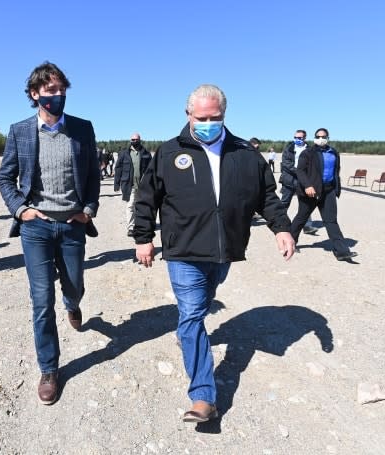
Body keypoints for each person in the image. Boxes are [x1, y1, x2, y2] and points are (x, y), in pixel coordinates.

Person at [133, 84, 295, 423]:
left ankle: (190, 339)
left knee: (203, 304)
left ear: (224, 115)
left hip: (225, 250)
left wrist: (281, 227)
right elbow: (147, 198)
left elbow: (267, 196)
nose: (208, 123)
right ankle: (204, 396)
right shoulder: (168, 152)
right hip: (183, 250)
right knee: (191, 314)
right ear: (188, 115)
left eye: (215, 117)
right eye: (201, 117)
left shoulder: (245, 154)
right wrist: (144, 237)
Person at [0, 61, 100, 405]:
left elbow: (92, 177)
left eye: (61, 90)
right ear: (35, 94)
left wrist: (87, 210)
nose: (57, 96)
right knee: (42, 301)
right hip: (36, 228)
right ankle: (49, 369)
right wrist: (20, 209)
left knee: (74, 286)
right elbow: (5, 177)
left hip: (72, 226)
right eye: (50, 90)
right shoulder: (20, 131)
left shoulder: (83, 129)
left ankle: (74, 304)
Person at [290, 128, 358, 261]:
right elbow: (300, 171)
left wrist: (336, 187)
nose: (321, 138)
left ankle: (342, 251)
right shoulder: (308, 153)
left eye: (323, 136)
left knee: (331, 221)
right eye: (318, 136)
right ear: (314, 138)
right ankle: (290, 243)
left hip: (328, 191)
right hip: (310, 192)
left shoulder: (333, 152)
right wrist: (308, 185)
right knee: (301, 217)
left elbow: (336, 171)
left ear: (328, 138)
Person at [279, 130, 319, 235]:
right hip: (289, 180)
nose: (298, 139)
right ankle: (280, 224)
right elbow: (286, 164)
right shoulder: (288, 148)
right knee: (284, 203)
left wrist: (305, 176)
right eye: (296, 137)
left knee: (306, 204)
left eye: (300, 138)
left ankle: (307, 226)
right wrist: (300, 171)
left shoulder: (310, 150)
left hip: (303, 182)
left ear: (304, 138)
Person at [113, 132, 152, 237]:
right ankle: (131, 227)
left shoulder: (145, 153)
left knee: (142, 206)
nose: (134, 141)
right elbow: (118, 169)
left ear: (140, 140)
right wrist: (116, 184)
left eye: (136, 139)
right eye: (132, 140)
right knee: (130, 206)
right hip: (130, 185)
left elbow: (151, 169)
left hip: (143, 185)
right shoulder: (124, 153)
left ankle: (141, 225)